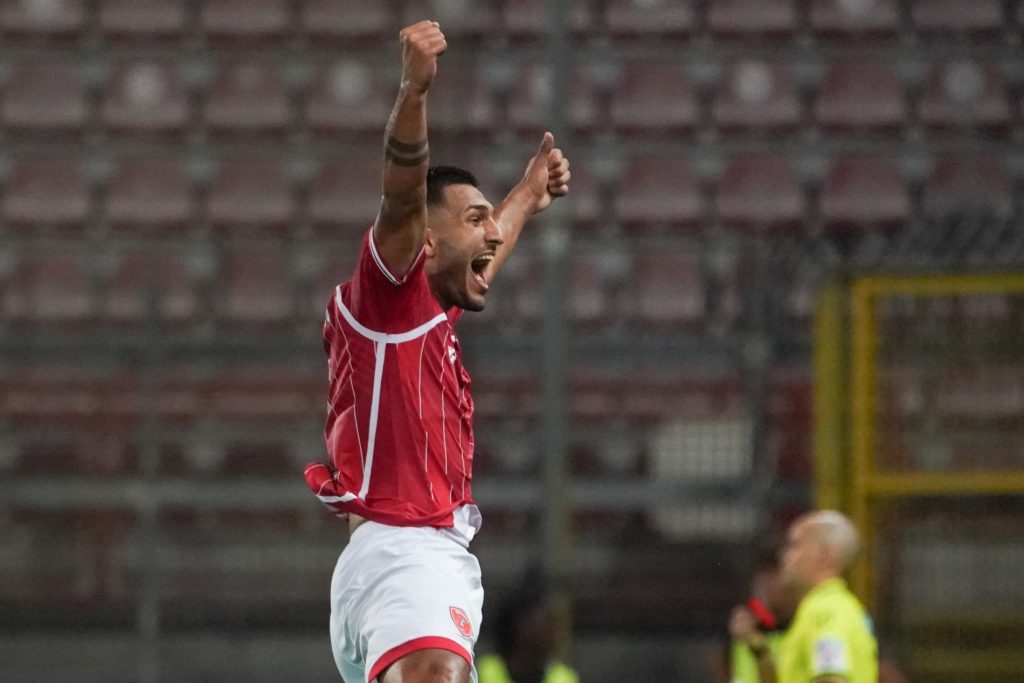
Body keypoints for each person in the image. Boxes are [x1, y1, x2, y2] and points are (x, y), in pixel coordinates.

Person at [302, 19, 571, 683]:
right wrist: (415, 92)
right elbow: (401, 194)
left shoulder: (423, 316)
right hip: (405, 557)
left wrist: (526, 197)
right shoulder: (387, 298)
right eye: (475, 218)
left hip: (407, 563)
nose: (492, 231)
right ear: (425, 239)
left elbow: (485, 255)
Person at [730, 511, 878, 683]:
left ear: (826, 556)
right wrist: (759, 650)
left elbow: (832, 679)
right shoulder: (823, 608)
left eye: (795, 545)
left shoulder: (825, 613)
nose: (785, 556)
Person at [477, 578, 579, 683]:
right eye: (549, 621)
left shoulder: (564, 678)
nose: (556, 631)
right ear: (521, 622)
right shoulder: (483, 672)